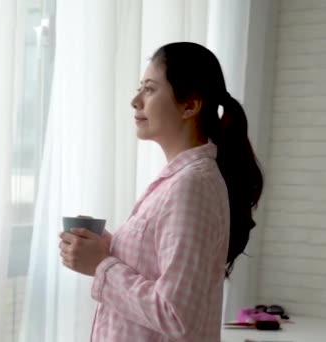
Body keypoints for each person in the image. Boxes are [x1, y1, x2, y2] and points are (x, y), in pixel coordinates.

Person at [59, 42, 263, 342]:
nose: (135, 100)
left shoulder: (192, 187)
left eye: (150, 89)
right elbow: (160, 268)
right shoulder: (180, 181)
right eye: (140, 88)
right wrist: (108, 247)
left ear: (190, 106)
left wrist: (101, 266)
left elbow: (176, 313)